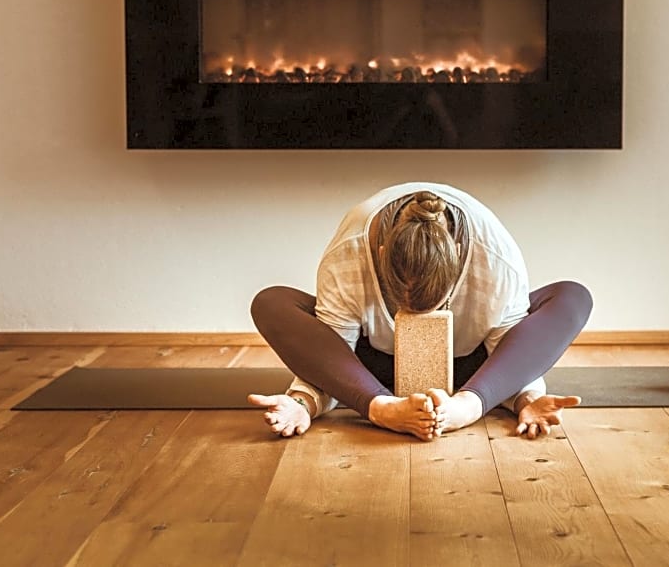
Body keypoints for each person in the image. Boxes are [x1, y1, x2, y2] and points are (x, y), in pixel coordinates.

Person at [247, 182, 592, 440]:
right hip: (375, 368)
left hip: (470, 368)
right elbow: (332, 349)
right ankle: (384, 408)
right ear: (381, 253)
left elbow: (510, 349)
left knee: (573, 297)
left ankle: (465, 407)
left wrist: (527, 396)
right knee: (271, 302)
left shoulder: (495, 254)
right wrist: (304, 400)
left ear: (458, 253)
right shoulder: (350, 250)